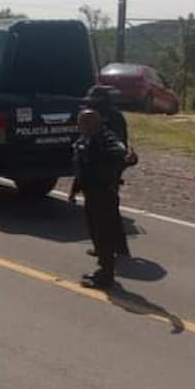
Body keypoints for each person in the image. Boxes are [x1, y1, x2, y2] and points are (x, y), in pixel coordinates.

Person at [69, 108, 127, 289]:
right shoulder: (84, 139)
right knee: (95, 232)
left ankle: (105, 274)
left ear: (92, 124)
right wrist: (74, 190)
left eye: (82, 122)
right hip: (90, 192)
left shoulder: (106, 139)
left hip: (104, 194)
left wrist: (127, 160)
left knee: (104, 234)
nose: (78, 126)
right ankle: (102, 267)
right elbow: (81, 167)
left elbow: (119, 152)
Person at [86, 84, 137, 257]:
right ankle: (111, 247)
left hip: (108, 168)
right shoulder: (95, 117)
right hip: (97, 168)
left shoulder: (110, 118)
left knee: (104, 211)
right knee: (101, 210)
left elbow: (117, 147)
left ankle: (111, 249)